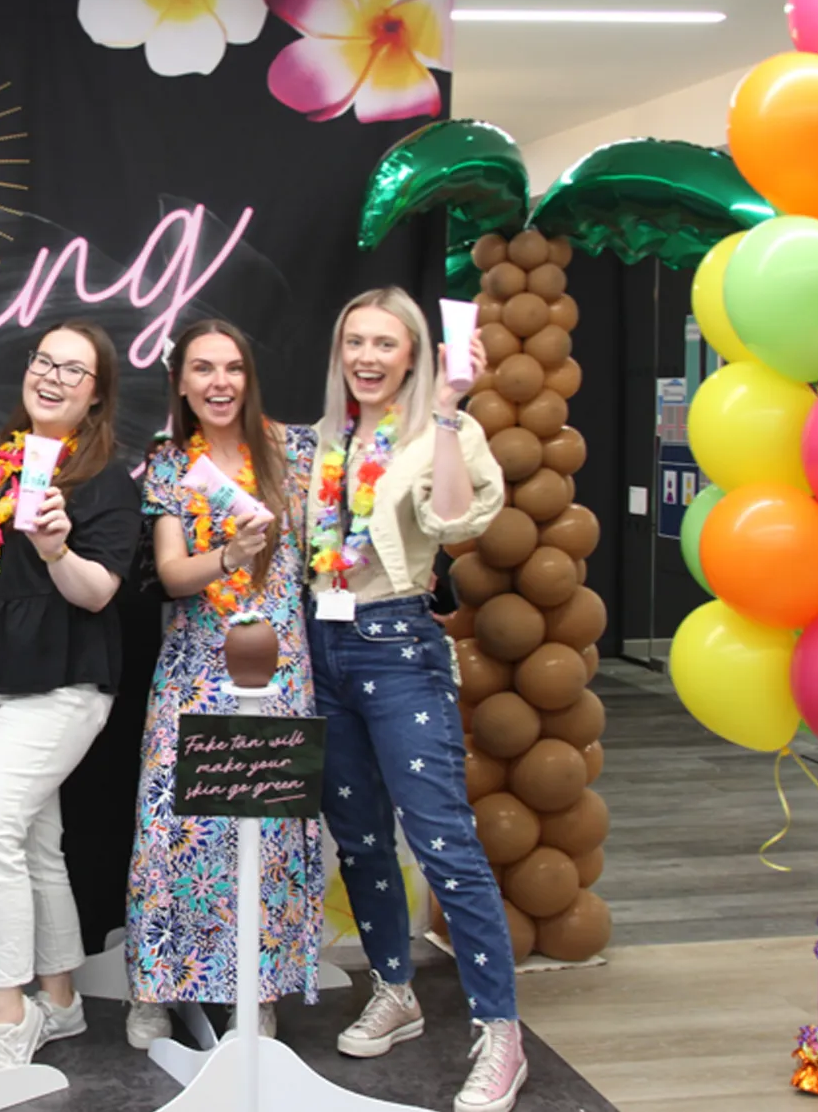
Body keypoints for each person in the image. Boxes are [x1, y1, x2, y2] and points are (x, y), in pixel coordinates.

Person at [305, 287, 521, 1112]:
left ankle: (499, 1032)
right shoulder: (324, 437)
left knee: (443, 843)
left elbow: (458, 523)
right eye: (353, 340)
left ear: (414, 353)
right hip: (321, 646)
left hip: (396, 646)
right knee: (356, 835)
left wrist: (455, 410)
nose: (366, 356)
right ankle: (395, 989)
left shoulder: (444, 433)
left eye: (384, 343)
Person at [0, 320, 140, 1071]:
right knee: (32, 845)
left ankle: (7, 1015)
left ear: (96, 396)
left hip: (61, 685)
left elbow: (98, 594)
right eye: (44, 361)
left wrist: (59, 548)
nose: (52, 376)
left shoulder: (106, 478)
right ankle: (61, 998)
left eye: (73, 369)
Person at [123, 319, 325, 1049]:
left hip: (278, 665)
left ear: (249, 377)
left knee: (267, 830)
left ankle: (256, 990)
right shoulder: (170, 462)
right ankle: (157, 986)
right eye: (203, 368)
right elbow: (174, 574)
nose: (219, 382)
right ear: (180, 380)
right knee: (175, 831)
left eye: (232, 368)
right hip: (195, 664)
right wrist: (228, 553)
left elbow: (325, 550)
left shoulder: (294, 451)